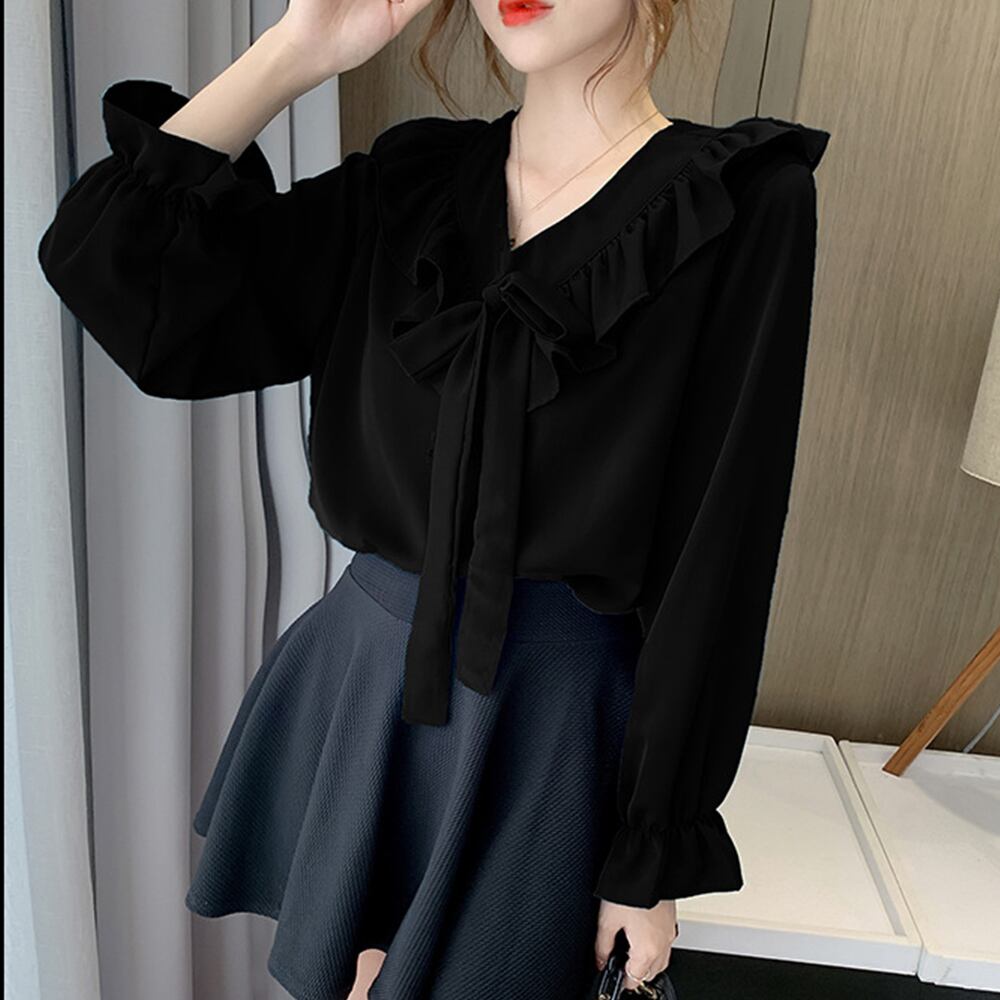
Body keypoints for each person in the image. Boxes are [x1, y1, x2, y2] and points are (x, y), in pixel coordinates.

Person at [37, 0, 830, 996]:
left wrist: (652, 850)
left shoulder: (743, 204)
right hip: (364, 685)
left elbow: (722, 552)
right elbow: (120, 276)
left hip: (553, 726)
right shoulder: (409, 183)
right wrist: (295, 52)